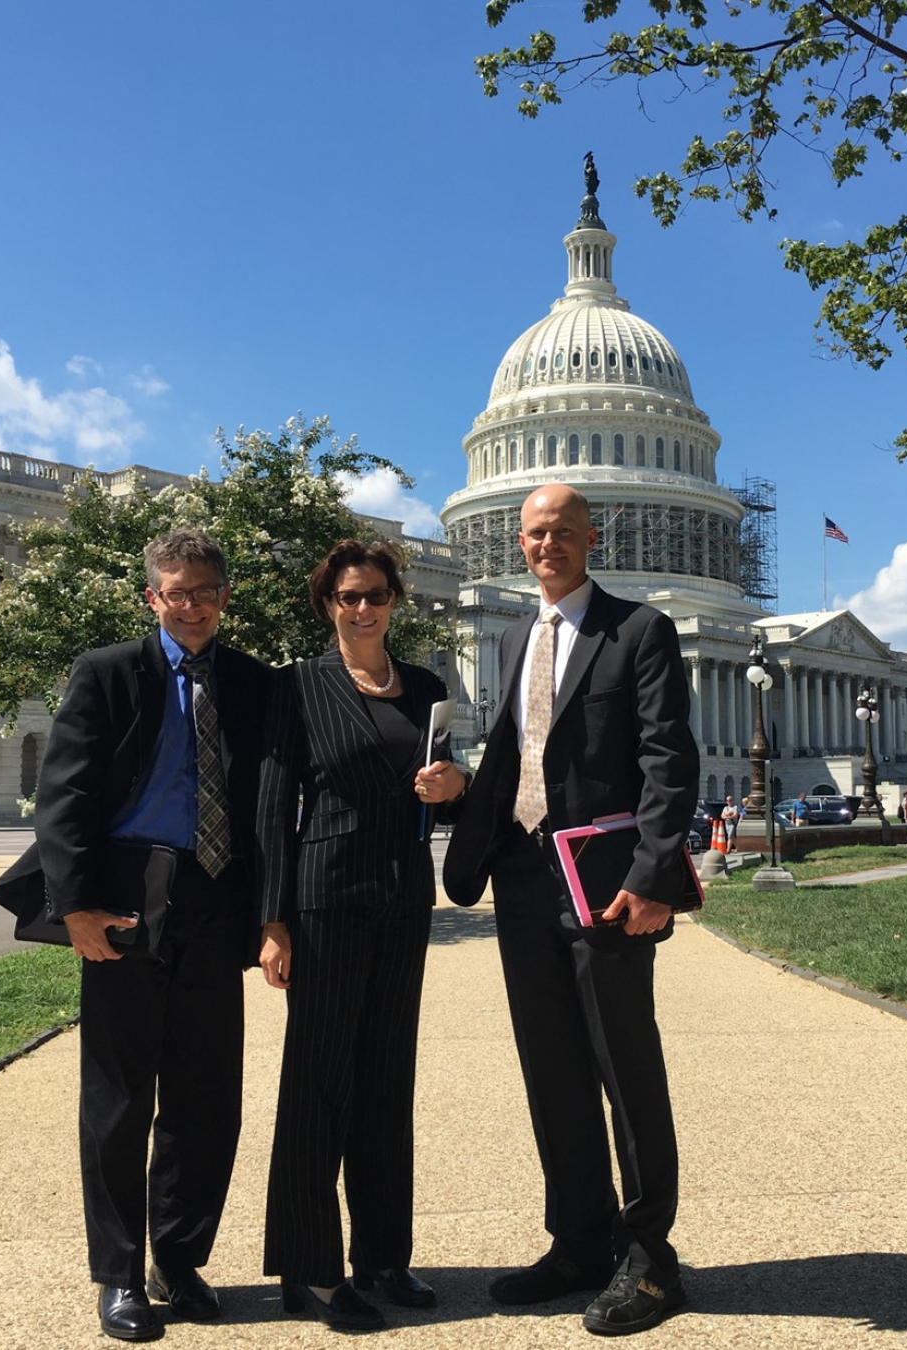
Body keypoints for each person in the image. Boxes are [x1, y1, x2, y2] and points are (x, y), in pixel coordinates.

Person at [445, 483, 699, 1337]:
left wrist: (658, 876)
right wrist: (460, 805)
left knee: (624, 1067)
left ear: (594, 536)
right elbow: (517, 758)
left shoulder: (639, 630)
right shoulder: (519, 634)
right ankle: (578, 1241)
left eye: (560, 531)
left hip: (607, 884)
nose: (545, 545)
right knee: (551, 1068)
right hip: (523, 877)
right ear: (517, 544)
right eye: (533, 533)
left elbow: (669, 758)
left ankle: (650, 1259)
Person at [32, 528, 272, 1342]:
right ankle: (120, 1274)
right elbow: (61, 796)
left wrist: (272, 916)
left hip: (216, 900)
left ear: (224, 595)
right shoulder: (107, 672)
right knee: (118, 1098)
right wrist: (75, 909)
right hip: (126, 897)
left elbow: (270, 808)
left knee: (207, 1099)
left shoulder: (250, 683)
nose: (191, 604)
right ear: (152, 598)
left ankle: (180, 1257)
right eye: (176, 591)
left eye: (205, 590)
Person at [256, 540, 467, 1333]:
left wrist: (455, 786)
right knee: (318, 1083)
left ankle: (384, 1255)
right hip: (323, 898)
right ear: (328, 604)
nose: (363, 607)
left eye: (375, 594)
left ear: (394, 600)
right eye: (348, 596)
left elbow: (439, 795)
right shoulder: (299, 687)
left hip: (403, 895)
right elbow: (273, 807)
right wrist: (272, 922)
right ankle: (310, 1270)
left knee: (386, 1081)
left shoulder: (426, 690)